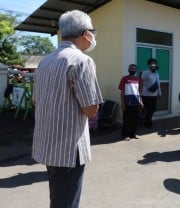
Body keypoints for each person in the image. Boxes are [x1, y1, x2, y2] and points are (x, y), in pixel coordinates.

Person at [32, 10, 103, 208]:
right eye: (93, 31)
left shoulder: (45, 62)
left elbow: (36, 102)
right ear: (85, 33)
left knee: (58, 197)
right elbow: (90, 109)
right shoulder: (82, 61)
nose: (93, 36)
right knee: (66, 202)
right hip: (69, 149)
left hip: (47, 144)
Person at [118, 64, 143, 141]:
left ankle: (133, 134)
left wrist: (141, 101)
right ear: (128, 70)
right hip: (127, 102)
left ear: (136, 70)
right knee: (127, 119)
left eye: (134, 68)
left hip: (136, 102)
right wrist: (122, 103)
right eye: (131, 68)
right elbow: (122, 91)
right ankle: (125, 134)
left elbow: (139, 91)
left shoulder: (138, 79)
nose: (132, 70)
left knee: (135, 119)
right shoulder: (124, 78)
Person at [141, 58, 162, 127]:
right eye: (152, 63)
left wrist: (159, 93)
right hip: (146, 94)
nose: (153, 65)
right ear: (149, 65)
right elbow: (142, 80)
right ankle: (148, 123)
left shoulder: (157, 74)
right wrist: (150, 70)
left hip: (154, 94)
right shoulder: (145, 72)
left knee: (152, 109)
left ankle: (147, 120)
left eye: (154, 63)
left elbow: (158, 84)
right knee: (148, 109)